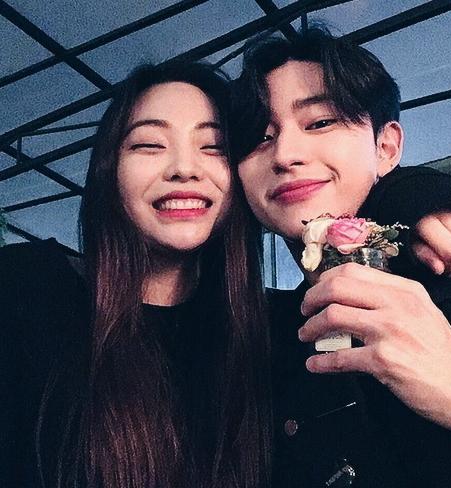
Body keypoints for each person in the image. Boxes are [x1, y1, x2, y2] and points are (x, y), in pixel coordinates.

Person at [231, 27, 451, 487]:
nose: (285, 154)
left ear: (386, 148)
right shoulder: (264, 333)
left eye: (319, 123)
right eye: (259, 137)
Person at [0, 61, 272, 488]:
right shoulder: (26, 290)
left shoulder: (269, 333)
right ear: (109, 171)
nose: (184, 168)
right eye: (149, 144)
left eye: (213, 147)